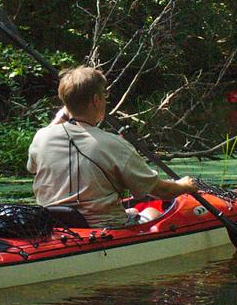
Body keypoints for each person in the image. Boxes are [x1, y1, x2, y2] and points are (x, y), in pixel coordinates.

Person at [27, 66, 200, 228]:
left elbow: (32, 168)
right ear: (96, 100)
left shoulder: (42, 136)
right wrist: (184, 186)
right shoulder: (113, 144)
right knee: (150, 211)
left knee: (132, 210)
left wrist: (60, 118)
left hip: (57, 226)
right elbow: (162, 191)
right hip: (103, 227)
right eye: (104, 95)